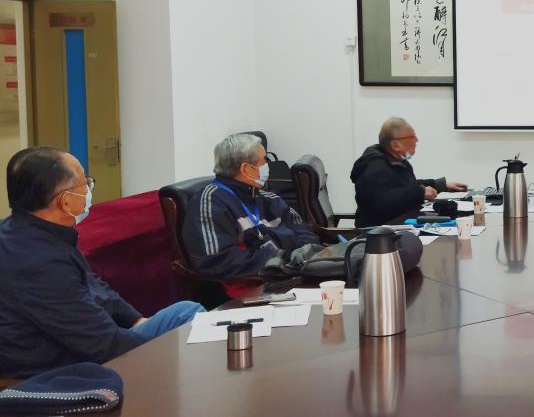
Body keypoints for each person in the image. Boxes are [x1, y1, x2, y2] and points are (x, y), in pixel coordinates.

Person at [0, 147, 204, 377]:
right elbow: (102, 345)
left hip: (85, 344)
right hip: (61, 367)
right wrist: (165, 356)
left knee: (187, 313)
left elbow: (95, 284)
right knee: (191, 328)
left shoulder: (29, 232)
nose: (89, 188)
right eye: (84, 182)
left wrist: (135, 320)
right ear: (65, 202)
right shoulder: (39, 262)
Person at [182, 134, 319, 290]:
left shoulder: (268, 197)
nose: (268, 166)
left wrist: (303, 252)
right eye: (264, 161)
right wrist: (281, 259)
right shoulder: (210, 203)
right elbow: (217, 262)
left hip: (290, 275)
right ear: (246, 169)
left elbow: (302, 230)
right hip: (252, 289)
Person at [351, 117, 467, 228]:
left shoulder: (396, 160)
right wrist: (420, 192)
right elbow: (382, 201)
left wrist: (440, 185)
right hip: (380, 233)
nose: (417, 140)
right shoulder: (374, 166)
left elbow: (406, 186)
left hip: (401, 225)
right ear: (395, 144)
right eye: (412, 137)